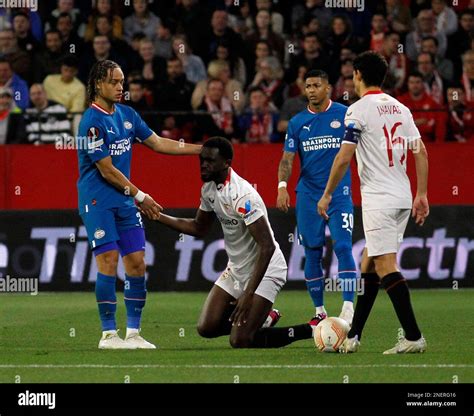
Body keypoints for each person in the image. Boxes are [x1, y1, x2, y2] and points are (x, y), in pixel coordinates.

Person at [143, 137, 317, 348]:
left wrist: (248, 294)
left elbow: (267, 246)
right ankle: (262, 319)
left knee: (241, 340)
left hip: (267, 269)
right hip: (237, 269)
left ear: (226, 163)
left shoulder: (243, 196)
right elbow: (199, 227)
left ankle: (311, 328)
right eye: (202, 160)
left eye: (210, 161)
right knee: (206, 328)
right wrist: (158, 216)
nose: (204, 165)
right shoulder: (208, 189)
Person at [77, 59, 202, 349]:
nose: (121, 87)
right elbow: (106, 170)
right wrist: (141, 196)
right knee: (108, 262)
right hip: (98, 201)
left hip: (124, 200)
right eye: (114, 81)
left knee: (136, 263)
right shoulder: (91, 121)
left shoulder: (128, 115)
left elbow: (158, 142)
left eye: (122, 82)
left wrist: (200, 149)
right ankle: (108, 335)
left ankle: (133, 333)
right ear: (98, 84)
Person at [317, 51, 429, 354]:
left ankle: (413, 336)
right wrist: (422, 194)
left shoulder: (357, 111)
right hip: (402, 196)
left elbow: (344, 156)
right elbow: (420, 151)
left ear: (357, 75)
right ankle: (353, 337)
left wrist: (327, 193)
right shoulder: (401, 109)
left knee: (384, 266)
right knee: (369, 260)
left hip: (379, 198)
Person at [276, 69, 357, 329]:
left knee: (343, 246)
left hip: (339, 193)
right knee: (312, 251)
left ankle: (348, 306)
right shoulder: (297, 122)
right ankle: (320, 311)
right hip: (308, 194)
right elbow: (287, 159)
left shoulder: (346, 114)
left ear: (328, 88)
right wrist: (282, 186)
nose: (311, 90)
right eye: (308, 86)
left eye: (316, 85)